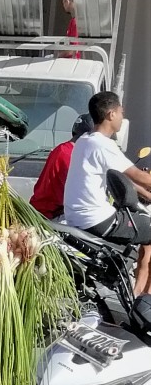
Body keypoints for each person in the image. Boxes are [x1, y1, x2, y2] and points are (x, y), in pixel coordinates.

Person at [63, 91, 151, 296]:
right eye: (121, 112)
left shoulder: (84, 141)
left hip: (78, 217)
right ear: (111, 114)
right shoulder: (103, 144)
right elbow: (140, 176)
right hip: (97, 219)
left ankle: (137, 293)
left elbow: (120, 179)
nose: (122, 116)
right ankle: (143, 300)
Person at [30, 114, 93, 220]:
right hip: (50, 215)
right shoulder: (68, 154)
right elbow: (81, 191)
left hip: (52, 211)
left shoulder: (64, 149)